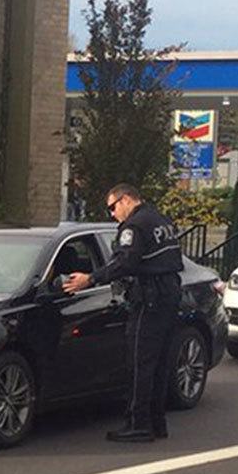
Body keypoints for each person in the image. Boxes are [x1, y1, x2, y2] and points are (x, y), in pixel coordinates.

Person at [62, 183, 183, 443]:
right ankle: (156, 423)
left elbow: (124, 263)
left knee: (141, 363)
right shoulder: (161, 220)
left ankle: (138, 425)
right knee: (160, 363)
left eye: (113, 207)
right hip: (169, 295)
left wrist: (90, 279)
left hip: (149, 298)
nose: (112, 214)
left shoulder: (134, 226)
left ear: (126, 199)